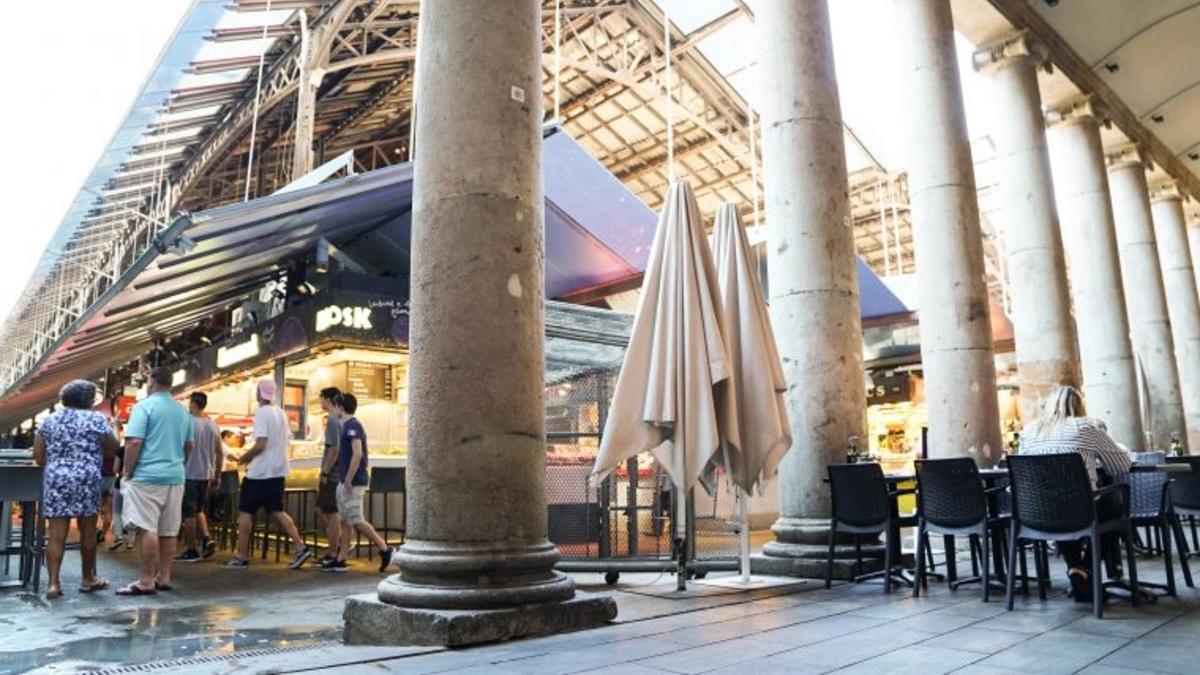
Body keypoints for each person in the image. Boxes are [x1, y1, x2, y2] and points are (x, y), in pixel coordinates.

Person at [1020, 384, 1133, 601]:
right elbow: (1120, 467)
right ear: (1079, 405)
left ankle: (1076, 569)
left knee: (1060, 508)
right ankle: (1085, 568)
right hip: (1080, 509)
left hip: (1037, 512)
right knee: (1116, 511)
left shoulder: (1028, 431)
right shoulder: (1086, 427)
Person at [32, 380, 119, 599]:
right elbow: (113, 448)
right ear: (89, 400)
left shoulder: (49, 421)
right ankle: (88, 578)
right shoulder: (96, 419)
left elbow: (39, 456)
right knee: (88, 531)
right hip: (87, 478)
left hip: (57, 478)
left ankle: (53, 584)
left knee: (56, 534)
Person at [117, 367, 194, 596]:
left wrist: (127, 471)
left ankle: (146, 580)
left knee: (146, 528)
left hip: (147, 476)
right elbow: (190, 446)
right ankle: (165, 577)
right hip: (175, 476)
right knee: (169, 529)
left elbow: (134, 443)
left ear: (151, 381)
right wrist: (178, 464)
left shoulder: (144, 406)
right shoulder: (182, 411)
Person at [223, 379, 312, 570]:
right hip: (278, 471)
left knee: (245, 512)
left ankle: (241, 556)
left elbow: (261, 443)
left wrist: (245, 457)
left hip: (260, 473)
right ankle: (300, 547)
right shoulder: (280, 413)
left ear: (259, 393)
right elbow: (286, 440)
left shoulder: (262, 413)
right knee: (277, 511)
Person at [320, 393, 397, 573]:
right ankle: (341, 558)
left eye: (335, 405)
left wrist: (348, 478)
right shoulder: (346, 426)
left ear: (340, 406)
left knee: (356, 520)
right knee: (346, 520)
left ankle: (385, 549)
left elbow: (357, 453)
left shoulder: (352, 426)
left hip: (353, 481)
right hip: (345, 481)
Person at [176, 392, 222, 562]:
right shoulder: (213, 425)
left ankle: (191, 549)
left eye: (190, 403)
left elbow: (181, 447)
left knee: (188, 513)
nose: (189, 406)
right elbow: (219, 452)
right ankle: (206, 538)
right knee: (199, 510)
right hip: (206, 475)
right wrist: (217, 475)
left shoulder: (187, 423)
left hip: (189, 473)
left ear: (194, 404)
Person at [315, 388, 344, 566]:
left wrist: (325, 471)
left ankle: (333, 551)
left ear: (328, 400)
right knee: (322, 510)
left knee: (330, 513)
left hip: (332, 475)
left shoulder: (333, 420)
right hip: (336, 474)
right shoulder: (339, 418)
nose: (320, 402)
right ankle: (337, 545)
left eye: (322, 398)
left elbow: (334, 449)